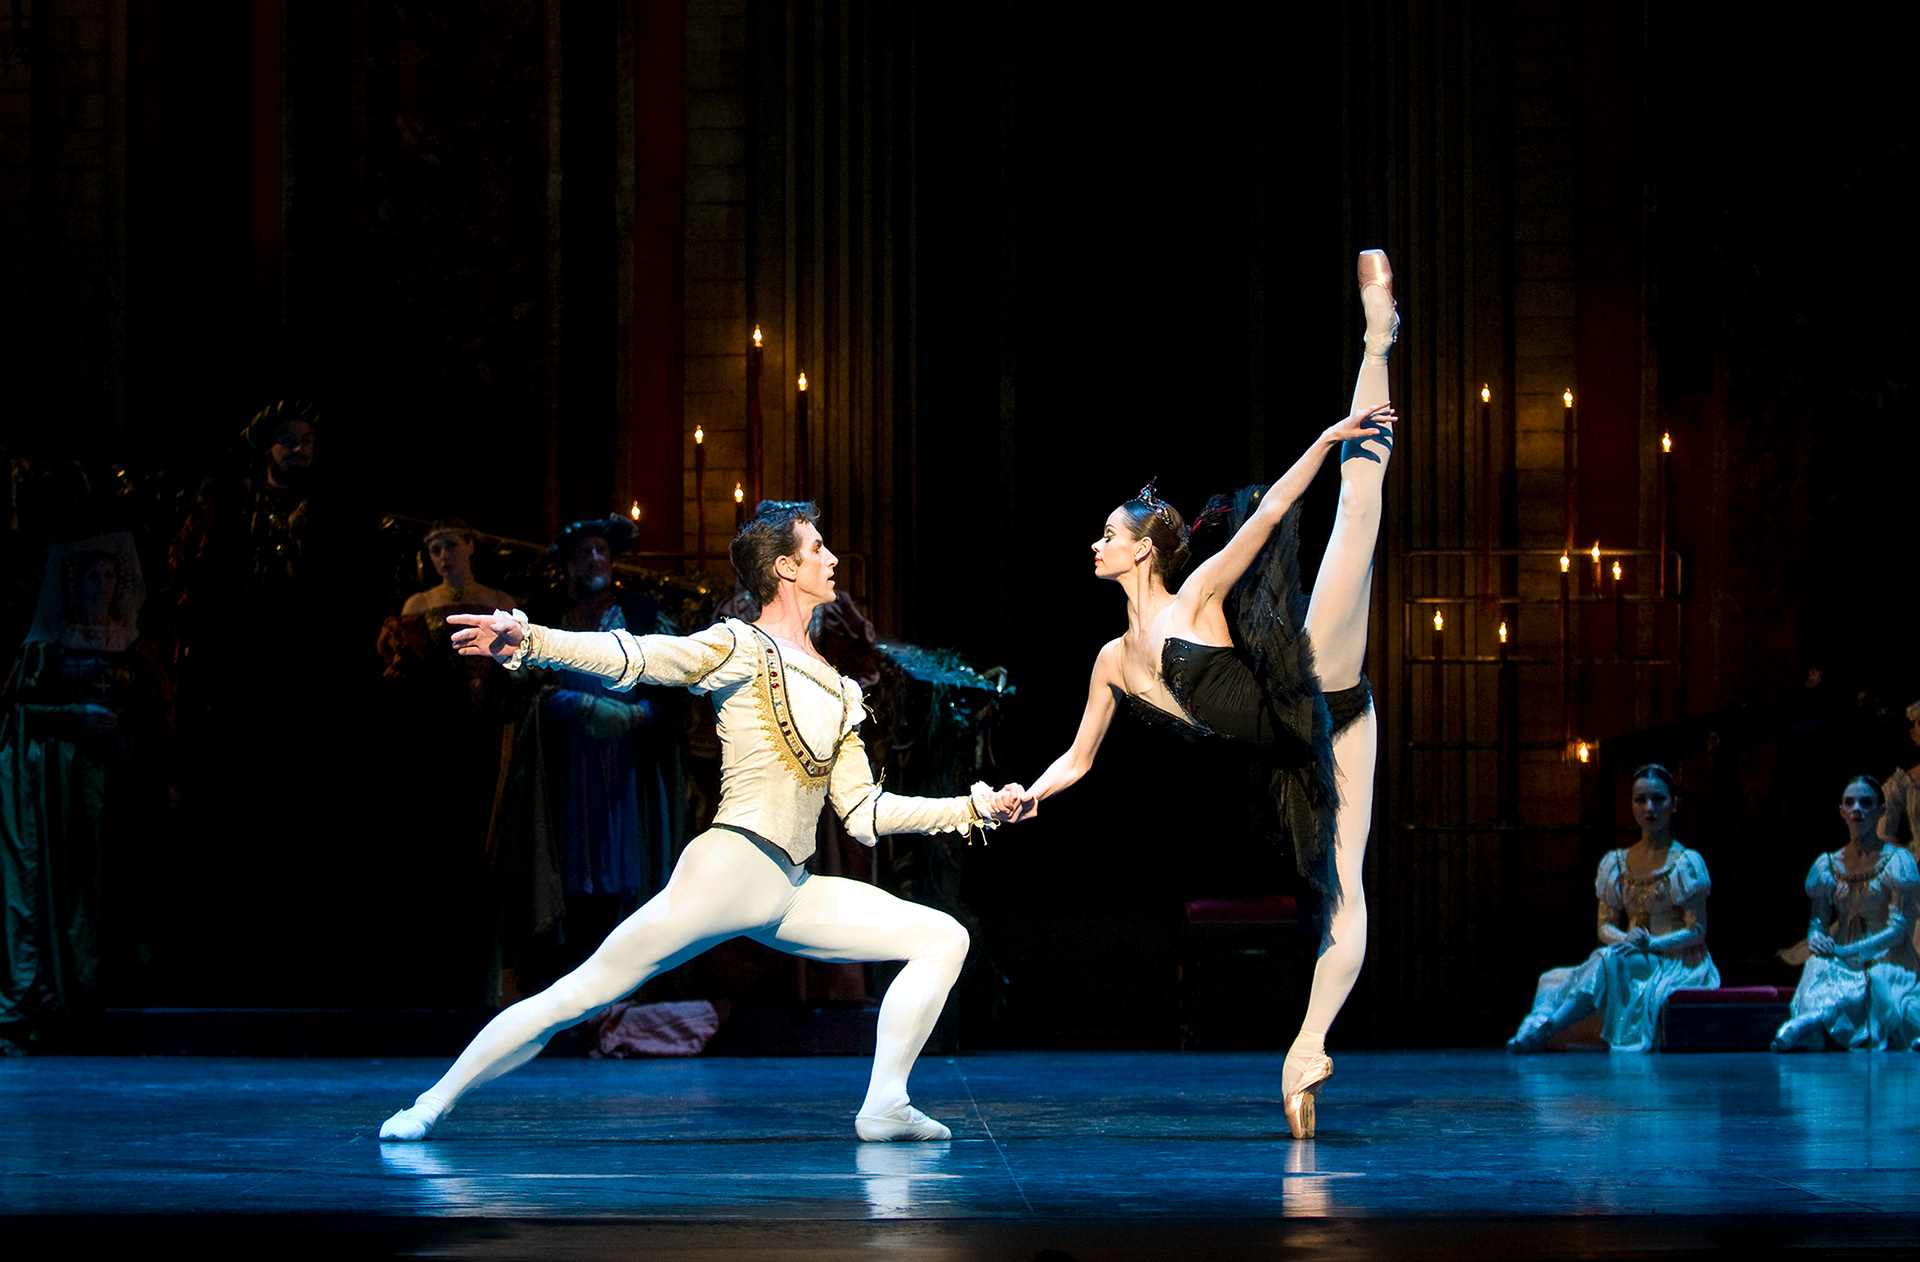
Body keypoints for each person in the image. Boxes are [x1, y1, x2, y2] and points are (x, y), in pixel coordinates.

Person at [379, 502, 1023, 1144]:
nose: (832, 558)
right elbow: (640, 656)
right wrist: (533, 642)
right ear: (785, 568)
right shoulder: (739, 645)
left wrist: (976, 807)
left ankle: (885, 1105)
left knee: (942, 938)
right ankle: (432, 1103)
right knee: (575, 996)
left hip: (790, 891)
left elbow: (865, 813)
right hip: (728, 870)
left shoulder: (837, 686)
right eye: (818, 548)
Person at [1008, 250, 1401, 1138]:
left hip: (1318, 684)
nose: (1095, 544)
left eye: (1107, 534)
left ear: (1142, 547)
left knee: (1355, 513)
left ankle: (1378, 339)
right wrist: (1029, 793)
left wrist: (1327, 439)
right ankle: (1304, 1060)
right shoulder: (1111, 662)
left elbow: (1268, 517)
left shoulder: (1196, 599)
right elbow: (1078, 758)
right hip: (1317, 746)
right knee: (1342, 895)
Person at [0, 535, 173, 1053]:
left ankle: (105, 992)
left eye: (110, 576)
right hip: (64, 781)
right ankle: (60, 993)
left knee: (113, 880)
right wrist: (75, 716)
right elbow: (19, 714)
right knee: (69, 881)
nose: (103, 585)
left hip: (119, 778)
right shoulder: (48, 645)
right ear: (74, 586)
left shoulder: (132, 645)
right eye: (93, 577)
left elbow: (154, 713)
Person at [1507, 764, 1718, 1054]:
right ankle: (1533, 1024)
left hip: (1674, 962)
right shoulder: (1617, 861)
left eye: (1658, 799)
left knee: (1609, 959)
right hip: (1629, 953)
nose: (1649, 808)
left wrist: (1651, 943)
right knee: (1552, 978)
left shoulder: (1686, 862)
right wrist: (1627, 939)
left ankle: (1547, 1030)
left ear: (1674, 804)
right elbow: (1604, 926)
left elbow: (1697, 931)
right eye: (1641, 799)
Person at [1771, 775, 1920, 1052]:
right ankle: (1812, 1023)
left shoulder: (1896, 860)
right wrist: (1815, 937)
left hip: (1887, 957)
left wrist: (1848, 952)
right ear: (1841, 810)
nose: (1857, 809)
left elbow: (1897, 931)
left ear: (1881, 810)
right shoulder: (1828, 863)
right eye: (1850, 803)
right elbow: (1818, 921)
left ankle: (1813, 1021)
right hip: (1844, 954)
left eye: (1866, 803)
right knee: (1816, 966)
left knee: (1876, 981)